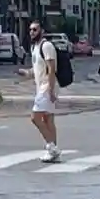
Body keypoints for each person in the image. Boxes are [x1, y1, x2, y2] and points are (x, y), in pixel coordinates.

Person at [19, 21, 61, 163]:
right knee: (48, 119)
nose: (32, 32)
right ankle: (53, 150)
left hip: (47, 87)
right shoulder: (34, 48)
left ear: (41, 30)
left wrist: (50, 90)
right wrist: (26, 72)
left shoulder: (46, 46)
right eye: (30, 30)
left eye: (35, 29)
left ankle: (51, 147)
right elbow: (37, 70)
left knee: (35, 117)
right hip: (41, 87)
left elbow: (51, 69)